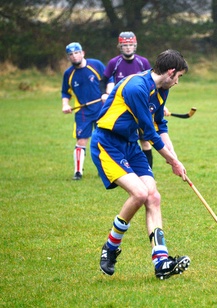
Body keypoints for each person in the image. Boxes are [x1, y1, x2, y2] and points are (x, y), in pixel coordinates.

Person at [91, 49, 190, 279]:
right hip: (108, 144)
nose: (177, 82)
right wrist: (172, 162)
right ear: (171, 71)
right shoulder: (136, 88)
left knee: (153, 196)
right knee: (140, 193)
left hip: (131, 145)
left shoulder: (161, 89)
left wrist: (176, 159)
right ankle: (111, 247)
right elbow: (150, 134)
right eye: (179, 77)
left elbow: (160, 126)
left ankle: (161, 263)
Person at [99, 31, 170, 169]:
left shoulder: (142, 61)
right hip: (122, 107)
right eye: (125, 45)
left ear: (135, 45)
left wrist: (159, 105)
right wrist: (103, 94)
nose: (128, 47)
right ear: (120, 46)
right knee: (123, 139)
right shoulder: (114, 62)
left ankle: (148, 169)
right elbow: (103, 81)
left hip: (141, 105)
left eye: (131, 44)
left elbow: (153, 84)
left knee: (146, 140)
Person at [61, 42, 106, 180]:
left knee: (103, 140)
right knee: (81, 141)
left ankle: (104, 169)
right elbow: (65, 92)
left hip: (101, 108)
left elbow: (108, 80)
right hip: (82, 111)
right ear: (68, 57)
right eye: (71, 54)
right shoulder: (69, 73)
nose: (74, 56)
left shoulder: (96, 65)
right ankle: (78, 172)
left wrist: (107, 94)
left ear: (83, 53)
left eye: (76, 53)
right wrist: (65, 104)